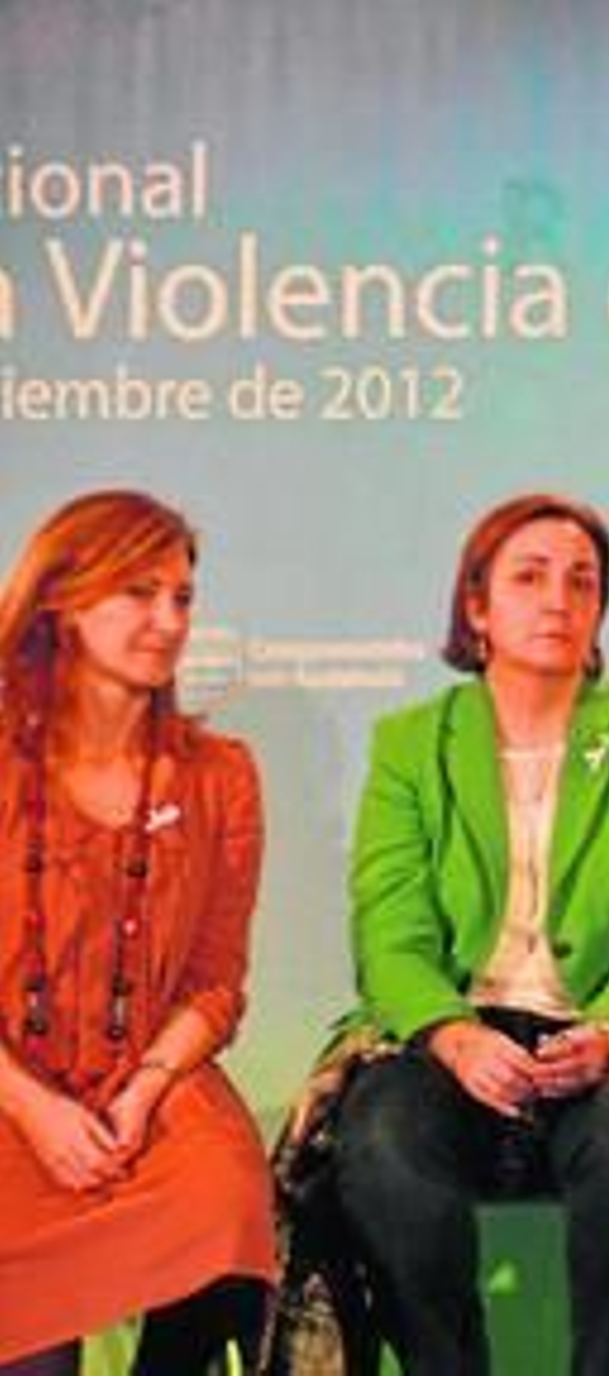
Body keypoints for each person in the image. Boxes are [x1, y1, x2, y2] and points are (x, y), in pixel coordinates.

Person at [331, 493, 609, 1376]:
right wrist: (452, 1036)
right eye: (530, 577)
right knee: (382, 1134)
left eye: (582, 581)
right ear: (476, 607)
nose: (559, 598)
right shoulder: (411, 743)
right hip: (458, 1040)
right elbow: (389, 936)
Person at [0, 491, 274, 1375]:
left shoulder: (221, 776)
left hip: (145, 1089)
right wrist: (35, 1109)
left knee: (225, 1205)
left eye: (183, 597)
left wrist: (146, 1086)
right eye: (139, 593)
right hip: (9, 1093)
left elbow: (215, 981)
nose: (169, 621)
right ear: (63, 601)